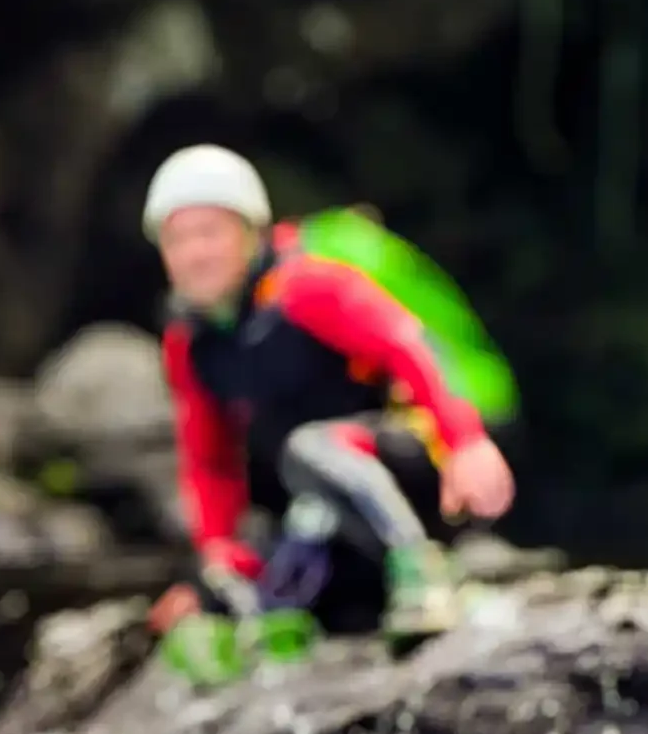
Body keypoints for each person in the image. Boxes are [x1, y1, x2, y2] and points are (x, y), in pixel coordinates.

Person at [141, 143, 518, 657]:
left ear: (250, 233)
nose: (195, 254)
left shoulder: (306, 286)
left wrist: (467, 443)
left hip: (410, 463)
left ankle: (423, 572)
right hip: (325, 496)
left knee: (310, 447)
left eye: (210, 233)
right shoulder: (190, 341)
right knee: (280, 557)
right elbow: (210, 458)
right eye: (177, 240)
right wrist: (217, 556)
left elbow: (409, 348)